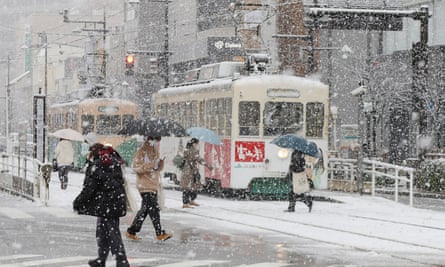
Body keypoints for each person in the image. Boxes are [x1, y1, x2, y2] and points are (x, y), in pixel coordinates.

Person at [73, 143, 130, 267]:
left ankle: (122, 260)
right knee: (103, 231)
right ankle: (101, 258)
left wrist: (78, 202)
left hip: (107, 203)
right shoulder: (112, 160)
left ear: (93, 152)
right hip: (114, 201)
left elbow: (89, 187)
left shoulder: (98, 164)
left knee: (111, 232)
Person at [125, 136, 172, 241]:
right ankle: (159, 233)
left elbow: (157, 169)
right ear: (150, 139)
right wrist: (151, 164)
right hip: (145, 185)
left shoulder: (155, 152)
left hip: (153, 184)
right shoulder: (141, 152)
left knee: (145, 209)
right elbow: (136, 168)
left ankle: (132, 231)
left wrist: (160, 163)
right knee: (154, 208)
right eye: (156, 140)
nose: (157, 142)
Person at [181, 138, 213, 208]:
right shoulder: (192, 151)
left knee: (191, 186)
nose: (197, 145)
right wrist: (207, 165)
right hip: (190, 171)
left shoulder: (187, 150)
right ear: (193, 144)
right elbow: (199, 159)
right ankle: (186, 203)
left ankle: (190, 201)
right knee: (189, 187)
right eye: (196, 143)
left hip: (189, 170)